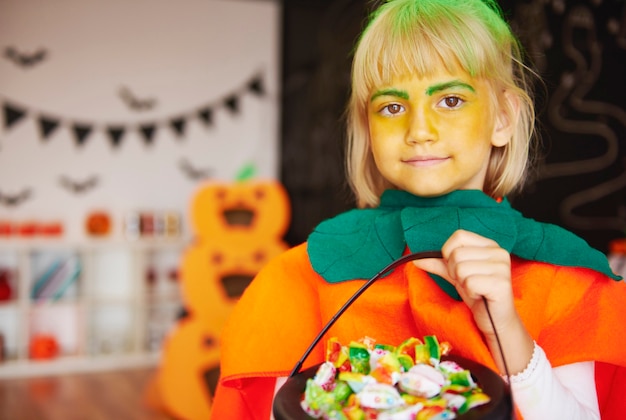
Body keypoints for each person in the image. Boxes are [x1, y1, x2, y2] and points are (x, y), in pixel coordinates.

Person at [210, 0, 626, 418]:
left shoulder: (568, 280)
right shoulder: (296, 280)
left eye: (449, 100)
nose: (419, 131)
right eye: (392, 107)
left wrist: (509, 333)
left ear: (503, 117)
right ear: (368, 129)